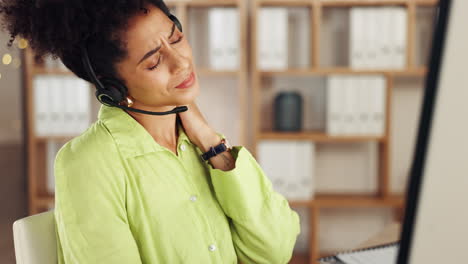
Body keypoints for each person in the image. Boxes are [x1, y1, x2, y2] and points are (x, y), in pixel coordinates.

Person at [0, 0, 300, 263]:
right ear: (112, 87)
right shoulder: (88, 163)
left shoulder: (202, 143)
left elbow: (275, 251)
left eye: (177, 37)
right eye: (154, 61)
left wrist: (212, 144)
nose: (181, 62)